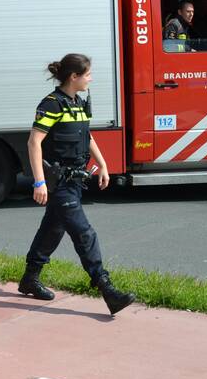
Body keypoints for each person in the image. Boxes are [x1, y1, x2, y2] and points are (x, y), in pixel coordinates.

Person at [17, 53, 136, 316]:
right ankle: (107, 289)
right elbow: (33, 142)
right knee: (84, 233)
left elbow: (86, 134)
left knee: (53, 228)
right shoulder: (51, 105)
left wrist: (103, 164)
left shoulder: (78, 102)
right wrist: (39, 182)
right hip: (58, 182)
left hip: (75, 180)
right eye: (88, 74)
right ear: (74, 77)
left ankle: (29, 278)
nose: (90, 79)